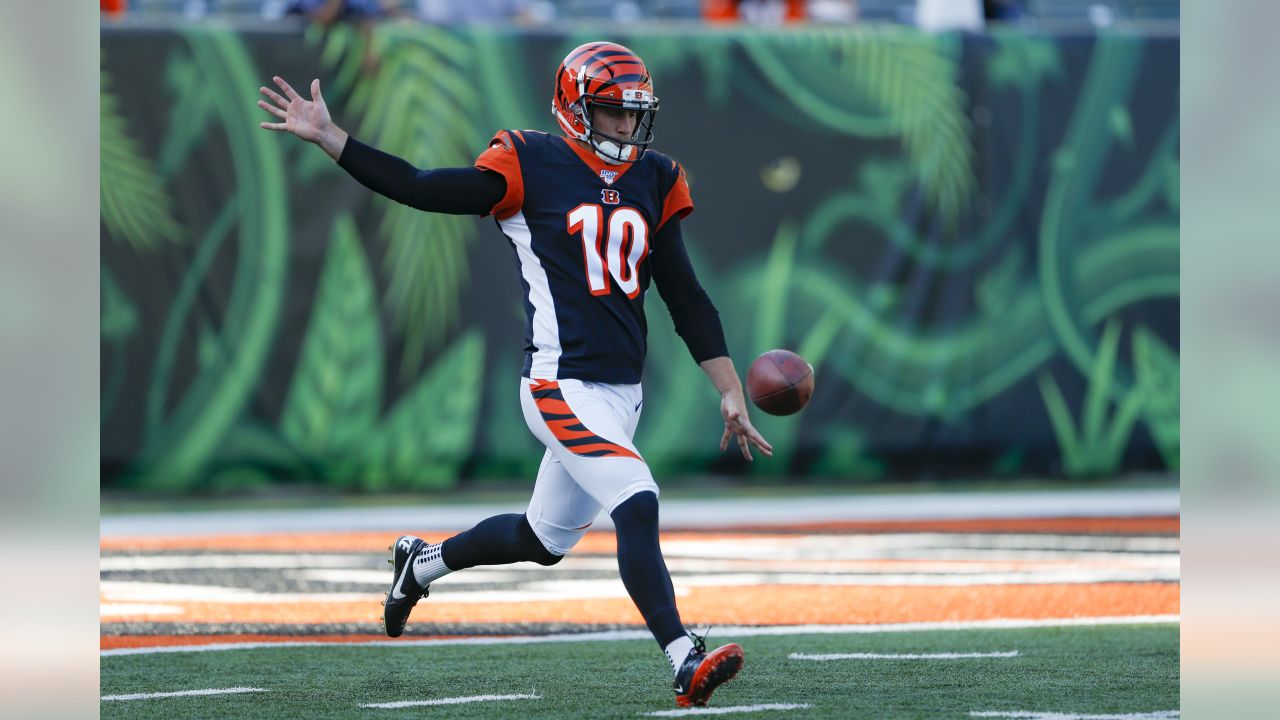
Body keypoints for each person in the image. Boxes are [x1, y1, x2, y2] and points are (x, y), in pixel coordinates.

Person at [257, 41, 772, 708]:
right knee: (636, 498)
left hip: (620, 393)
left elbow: (686, 297)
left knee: (542, 539)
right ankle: (682, 658)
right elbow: (420, 185)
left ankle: (422, 562)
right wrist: (334, 140)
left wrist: (728, 387)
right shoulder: (531, 161)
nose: (625, 127)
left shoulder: (657, 177)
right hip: (559, 382)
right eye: (612, 112)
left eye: (633, 114)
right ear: (575, 110)